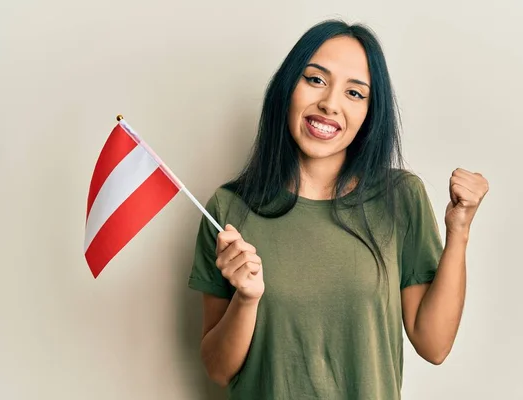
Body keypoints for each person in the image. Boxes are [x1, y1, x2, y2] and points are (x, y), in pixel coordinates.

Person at [187, 19, 489, 400]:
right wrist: (247, 300)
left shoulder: (401, 198)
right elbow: (217, 369)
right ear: (287, 88)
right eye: (315, 80)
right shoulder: (229, 209)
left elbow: (434, 345)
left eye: (355, 93)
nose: (330, 103)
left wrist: (459, 230)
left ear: (369, 114)